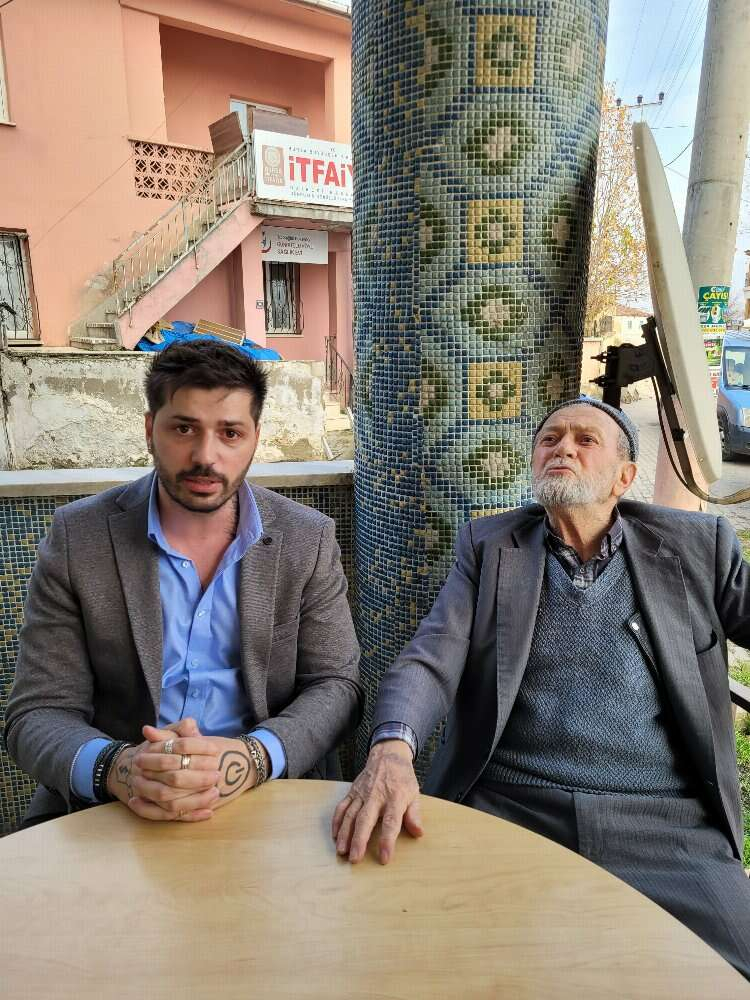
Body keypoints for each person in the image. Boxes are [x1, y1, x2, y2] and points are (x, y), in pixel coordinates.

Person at [333, 395, 750, 979]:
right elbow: (431, 657)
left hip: (663, 824)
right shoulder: (489, 547)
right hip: (511, 809)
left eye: (585, 440)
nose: (562, 449)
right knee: (429, 962)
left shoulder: (697, 546)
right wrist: (392, 748)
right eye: (549, 439)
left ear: (624, 477)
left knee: (732, 966)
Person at [6, 339, 362, 826]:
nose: (205, 456)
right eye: (183, 428)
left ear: (255, 438)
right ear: (149, 430)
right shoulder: (79, 538)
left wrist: (253, 758)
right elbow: (37, 712)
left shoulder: (307, 538)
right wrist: (119, 768)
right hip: (116, 810)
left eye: (230, 433)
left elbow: (337, 685)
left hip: (270, 801)